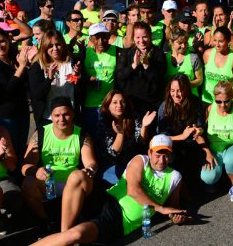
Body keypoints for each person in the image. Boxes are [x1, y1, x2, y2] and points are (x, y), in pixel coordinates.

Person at [30, 135, 186, 245]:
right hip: (107, 198)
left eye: (166, 155)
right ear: (150, 152)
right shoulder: (141, 160)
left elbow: (173, 206)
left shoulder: (174, 177)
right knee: (78, 176)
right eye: (158, 154)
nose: (161, 159)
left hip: (119, 221)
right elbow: (133, 190)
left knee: (76, 234)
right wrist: (160, 208)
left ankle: (65, 238)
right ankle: (65, 237)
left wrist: (175, 216)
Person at [21, 96, 98, 231]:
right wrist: (36, 171)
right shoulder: (41, 133)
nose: (61, 119)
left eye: (66, 114)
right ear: (51, 116)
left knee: (78, 176)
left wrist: (89, 169)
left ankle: (69, 224)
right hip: (48, 182)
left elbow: (91, 162)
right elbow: (25, 167)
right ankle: (46, 221)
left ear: (73, 114)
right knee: (28, 184)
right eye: (57, 115)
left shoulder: (81, 134)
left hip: (73, 184)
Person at [0, 29, 31, 153]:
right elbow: (6, 91)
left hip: (22, 112)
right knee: (9, 151)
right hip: (4, 116)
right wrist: (21, 68)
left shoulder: (15, 59)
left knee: (21, 149)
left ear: (8, 40)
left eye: (2, 41)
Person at [200, 82, 233, 199]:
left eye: (226, 101)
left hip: (232, 146)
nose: (223, 105)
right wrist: (207, 153)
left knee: (231, 159)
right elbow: (201, 131)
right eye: (219, 101)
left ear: (232, 98)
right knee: (208, 177)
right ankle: (218, 178)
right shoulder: (210, 108)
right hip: (214, 150)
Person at [96, 90, 156, 185]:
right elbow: (113, 153)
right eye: (115, 102)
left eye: (122, 102)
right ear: (108, 106)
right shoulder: (103, 122)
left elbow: (141, 141)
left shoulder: (133, 117)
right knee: (130, 182)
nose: (119, 105)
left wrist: (144, 126)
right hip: (111, 166)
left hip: (132, 162)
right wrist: (120, 133)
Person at [28, 30, 82, 126]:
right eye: (50, 46)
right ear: (44, 47)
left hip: (70, 116)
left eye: (58, 44)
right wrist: (49, 79)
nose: (55, 48)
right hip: (48, 118)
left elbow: (80, 92)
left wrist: (76, 77)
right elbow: (37, 95)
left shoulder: (73, 61)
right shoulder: (38, 66)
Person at [116, 22, 167, 118]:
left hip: (152, 104)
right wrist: (134, 65)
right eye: (138, 37)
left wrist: (147, 64)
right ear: (133, 38)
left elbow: (159, 78)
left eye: (144, 37)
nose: (141, 41)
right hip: (130, 104)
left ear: (150, 36)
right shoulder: (126, 53)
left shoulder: (158, 53)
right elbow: (119, 76)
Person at [202, 26, 233, 107]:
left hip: (228, 102)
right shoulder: (207, 54)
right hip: (208, 100)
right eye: (215, 40)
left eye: (220, 41)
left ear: (228, 41)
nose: (217, 44)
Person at [165, 28, 204, 97]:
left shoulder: (193, 58)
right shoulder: (165, 58)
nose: (183, 46)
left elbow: (200, 80)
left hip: (190, 98)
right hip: (172, 99)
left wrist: (186, 84)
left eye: (185, 42)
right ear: (171, 42)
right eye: (180, 43)